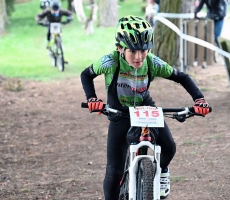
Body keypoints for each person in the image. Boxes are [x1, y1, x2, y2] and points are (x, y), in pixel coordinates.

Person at [80, 15, 210, 200]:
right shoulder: (110, 61)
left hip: (145, 107)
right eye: (132, 51)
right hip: (120, 112)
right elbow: (86, 75)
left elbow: (182, 77)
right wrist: (92, 98)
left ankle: (162, 171)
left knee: (169, 147)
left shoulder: (151, 62)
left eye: (143, 50)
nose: (139, 56)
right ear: (119, 48)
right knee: (113, 171)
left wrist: (199, 100)